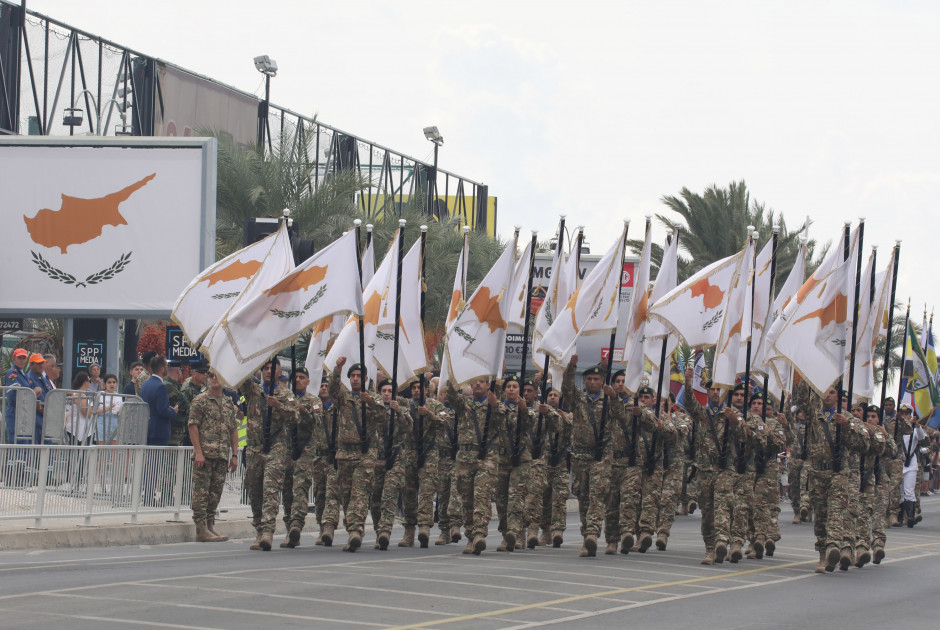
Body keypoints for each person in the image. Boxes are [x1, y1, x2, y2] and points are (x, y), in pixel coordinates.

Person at [795, 382, 869, 573]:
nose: (827, 395)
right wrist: (804, 378)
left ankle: (833, 548)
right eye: (824, 391)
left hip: (838, 473)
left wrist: (846, 426)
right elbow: (802, 399)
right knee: (820, 516)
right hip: (817, 473)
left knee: (836, 513)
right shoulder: (813, 415)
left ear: (838, 397)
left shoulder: (848, 418)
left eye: (832, 392)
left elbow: (863, 444)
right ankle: (822, 554)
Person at [321, 358, 383, 552]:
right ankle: (352, 530)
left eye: (359, 376)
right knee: (346, 495)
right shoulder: (344, 398)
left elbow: (383, 416)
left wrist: (370, 402)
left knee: (360, 493)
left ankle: (356, 531)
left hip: (365, 453)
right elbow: (332, 389)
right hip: (344, 453)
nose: (356, 379)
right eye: (352, 376)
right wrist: (337, 369)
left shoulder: (374, 398)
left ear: (365, 378)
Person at [683, 367, 742, 565]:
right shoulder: (702, 414)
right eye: (712, 389)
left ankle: (721, 541)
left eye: (719, 389)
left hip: (725, 470)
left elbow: (744, 439)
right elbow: (690, 404)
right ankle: (710, 548)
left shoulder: (734, 415)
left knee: (723, 507)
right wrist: (688, 385)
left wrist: (735, 423)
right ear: (707, 392)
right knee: (707, 511)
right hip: (704, 470)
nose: (716, 392)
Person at [445, 377, 503, 554]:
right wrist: (452, 373)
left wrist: (494, 406)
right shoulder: (464, 405)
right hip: (464, 458)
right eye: (475, 381)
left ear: (488, 385)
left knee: (481, 495)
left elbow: (501, 421)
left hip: (486, 458)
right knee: (467, 499)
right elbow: (451, 395)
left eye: (482, 381)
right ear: (470, 385)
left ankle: (479, 534)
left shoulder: (496, 405)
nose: (478, 384)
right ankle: (470, 536)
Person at [188, 369, 239, 542]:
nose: (214, 378)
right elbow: (193, 426)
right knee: (201, 493)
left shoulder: (227, 402)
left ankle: (210, 525)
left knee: (215, 493)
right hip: (205, 455)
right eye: (211, 375)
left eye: (218, 375)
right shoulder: (200, 400)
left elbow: (233, 429)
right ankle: (201, 528)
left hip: (221, 455)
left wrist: (234, 455)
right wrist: (199, 452)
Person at [279, 367, 323, 549]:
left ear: (308, 381)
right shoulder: (286, 399)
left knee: (300, 489)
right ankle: (290, 527)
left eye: (302, 377)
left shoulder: (314, 401)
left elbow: (318, 421)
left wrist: (303, 411)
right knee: (287, 491)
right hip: (286, 450)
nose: (298, 380)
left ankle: (296, 525)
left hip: (305, 450)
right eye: (295, 377)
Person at [4, 348, 31, 442]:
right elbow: (12, 396)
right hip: (15, 412)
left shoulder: (23, 374)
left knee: (24, 444)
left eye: (24, 358)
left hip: (24, 413)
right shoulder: (12, 373)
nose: (22, 360)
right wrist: (32, 394)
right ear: (14, 359)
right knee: (17, 444)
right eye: (19, 357)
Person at [26, 354, 53, 442]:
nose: (41, 365)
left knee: (47, 450)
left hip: (46, 420)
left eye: (42, 363)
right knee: (36, 450)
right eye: (38, 363)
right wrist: (47, 413)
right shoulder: (28, 379)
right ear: (31, 365)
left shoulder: (44, 378)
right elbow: (33, 401)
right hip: (35, 420)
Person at [64, 371, 95, 444]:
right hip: (79, 428)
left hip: (78, 427)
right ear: (85, 382)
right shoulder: (81, 395)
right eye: (89, 381)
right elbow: (86, 413)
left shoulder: (77, 394)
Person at [95, 374, 123, 443]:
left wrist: (120, 413)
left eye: (114, 382)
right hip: (102, 420)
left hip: (115, 421)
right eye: (109, 382)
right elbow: (94, 411)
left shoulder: (119, 396)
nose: (112, 384)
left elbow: (121, 411)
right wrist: (106, 409)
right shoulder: (100, 394)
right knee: (102, 447)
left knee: (113, 447)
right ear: (105, 384)